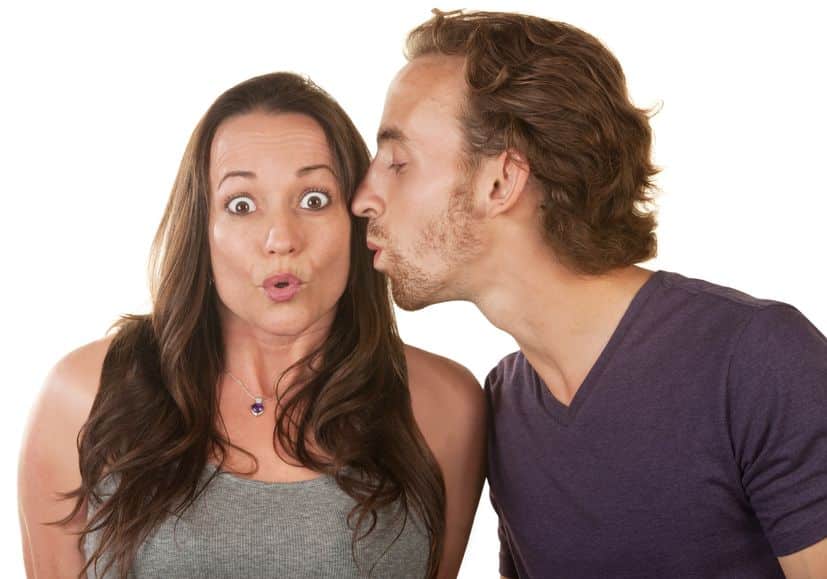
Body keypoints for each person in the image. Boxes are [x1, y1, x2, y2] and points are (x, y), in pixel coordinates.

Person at [351, 9, 827, 579]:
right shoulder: (507, 407)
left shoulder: (757, 361)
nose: (363, 198)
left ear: (501, 181)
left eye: (398, 163)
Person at [18, 72, 485, 579]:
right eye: (241, 204)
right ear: (203, 229)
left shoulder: (445, 406)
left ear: (357, 219)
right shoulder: (82, 395)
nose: (280, 238)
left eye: (313, 199)